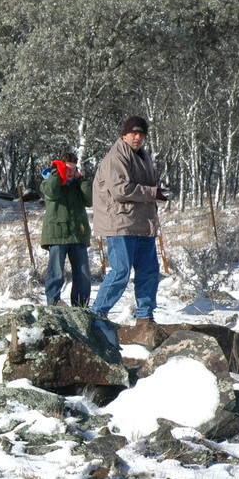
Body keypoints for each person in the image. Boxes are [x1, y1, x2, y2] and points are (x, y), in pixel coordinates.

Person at [90, 116, 167, 341]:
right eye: (133, 133)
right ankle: (97, 315)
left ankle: (145, 318)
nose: (137, 137)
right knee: (120, 272)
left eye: (141, 134)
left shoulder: (142, 156)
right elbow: (121, 190)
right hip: (120, 224)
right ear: (124, 134)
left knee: (149, 271)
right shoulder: (116, 157)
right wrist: (153, 193)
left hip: (142, 224)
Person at [39, 151, 93, 307]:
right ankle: (53, 303)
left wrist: (81, 179)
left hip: (78, 234)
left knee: (83, 275)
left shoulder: (78, 184)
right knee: (56, 272)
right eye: (67, 169)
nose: (70, 173)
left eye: (73, 169)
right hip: (57, 233)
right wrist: (57, 172)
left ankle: (81, 306)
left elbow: (90, 200)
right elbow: (51, 193)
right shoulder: (50, 181)